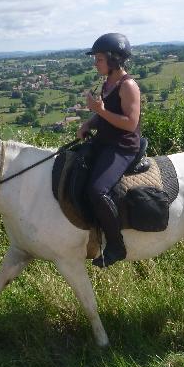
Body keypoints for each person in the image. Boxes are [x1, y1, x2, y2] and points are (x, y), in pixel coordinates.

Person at [76, 32, 141, 268]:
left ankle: (116, 245)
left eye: (100, 59)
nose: (96, 63)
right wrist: (89, 122)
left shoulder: (128, 86)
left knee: (98, 190)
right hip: (105, 142)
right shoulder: (108, 83)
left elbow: (130, 123)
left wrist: (99, 111)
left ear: (114, 59)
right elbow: (104, 113)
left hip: (123, 148)